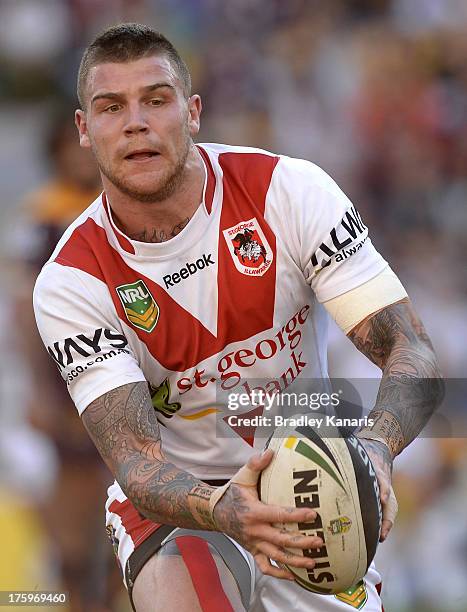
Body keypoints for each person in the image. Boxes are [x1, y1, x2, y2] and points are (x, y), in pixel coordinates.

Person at [33, 23, 443, 612]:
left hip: (308, 482)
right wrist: (228, 509)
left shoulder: (290, 192)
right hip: (181, 508)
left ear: (193, 112)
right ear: (83, 130)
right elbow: (137, 466)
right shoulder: (72, 280)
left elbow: (413, 353)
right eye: (110, 107)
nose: (135, 123)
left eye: (156, 99)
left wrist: (375, 450)